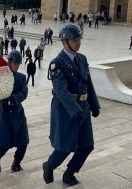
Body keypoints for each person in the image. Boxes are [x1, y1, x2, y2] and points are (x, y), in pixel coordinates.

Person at [43, 24, 100, 186]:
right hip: (67, 110)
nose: (78, 43)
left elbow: (88, 84)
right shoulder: (57, 63)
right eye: (75, 40)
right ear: (65, 41)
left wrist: (94, 106)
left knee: (87, 145)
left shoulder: (82, 58)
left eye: (79, 39)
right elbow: (60, 90)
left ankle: (70, 173)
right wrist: (75, 111)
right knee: (65, 146)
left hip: (83, 107)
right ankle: (50, 165)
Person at [0, 50, 29, 174]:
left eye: (18, 64)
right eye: (14, 63)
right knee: (5, 142)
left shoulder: (21, 78)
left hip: (17, 112)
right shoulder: (0, 77)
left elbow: (24, 93)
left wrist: (13, 98)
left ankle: (16, 163)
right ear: (9, 62)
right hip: (5, 113)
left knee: (23, 141)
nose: (16, 66)